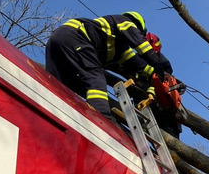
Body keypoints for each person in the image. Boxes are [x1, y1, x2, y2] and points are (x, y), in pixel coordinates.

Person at [45, 11, 173, 117]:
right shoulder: (125, 21)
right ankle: (101, 118)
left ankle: (51, 110)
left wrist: (157, 76)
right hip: (75, 37)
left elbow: (139, 65)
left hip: (56, 40)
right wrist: (157, 63)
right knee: (96, 78)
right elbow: (142, 46)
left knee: (58, 83)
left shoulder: (118, 48)